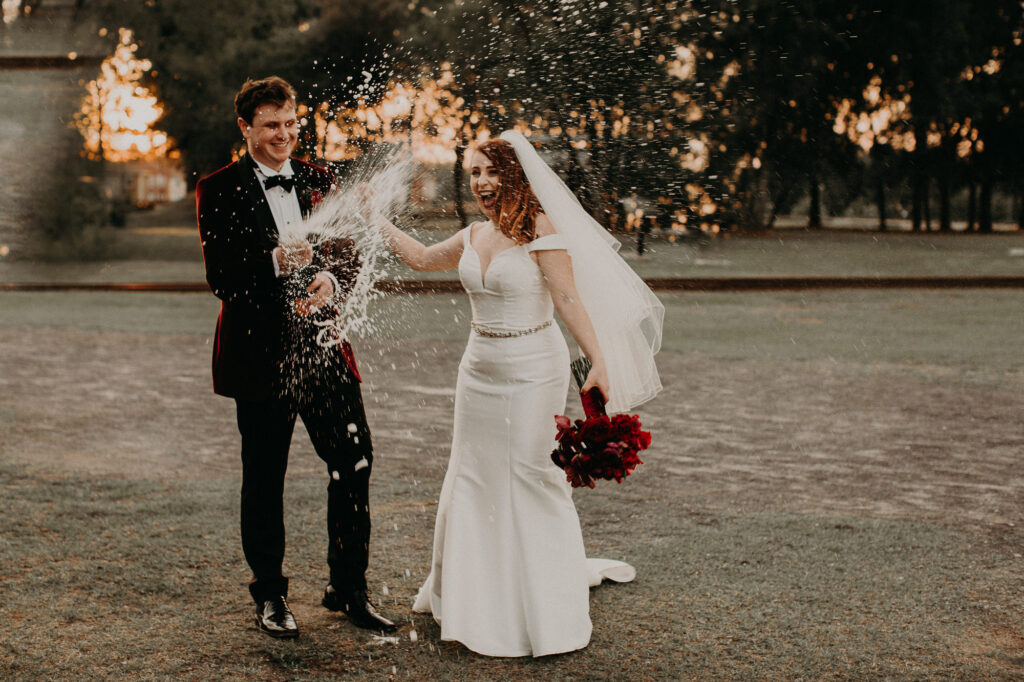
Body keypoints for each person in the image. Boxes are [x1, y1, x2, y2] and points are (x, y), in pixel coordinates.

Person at [367, 131, 663, 657]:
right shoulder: (474, 233)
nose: (482, 182)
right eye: (475, 173)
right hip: (477, 368)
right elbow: (417, 258)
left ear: (516, 177)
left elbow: (569, 299)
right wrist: (375, 217)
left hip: (534, 367)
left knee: (531, 474)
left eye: (492, 172)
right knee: (473, 474)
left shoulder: (542, 231)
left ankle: (544, 605)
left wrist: (597, 359)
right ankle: (474, 595)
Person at [196, 76, 395, 639]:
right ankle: (271, 597)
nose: (284, 135)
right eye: (270, 126)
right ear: (245, 127)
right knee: (264, 478)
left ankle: (349, 588)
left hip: (326, 350)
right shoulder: (217, 189)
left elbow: (347, 252)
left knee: (354, 463)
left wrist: (332, 277)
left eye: (290, 123)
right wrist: (280, 261)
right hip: (260, 358)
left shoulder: (318, 178)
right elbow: (223, 277)